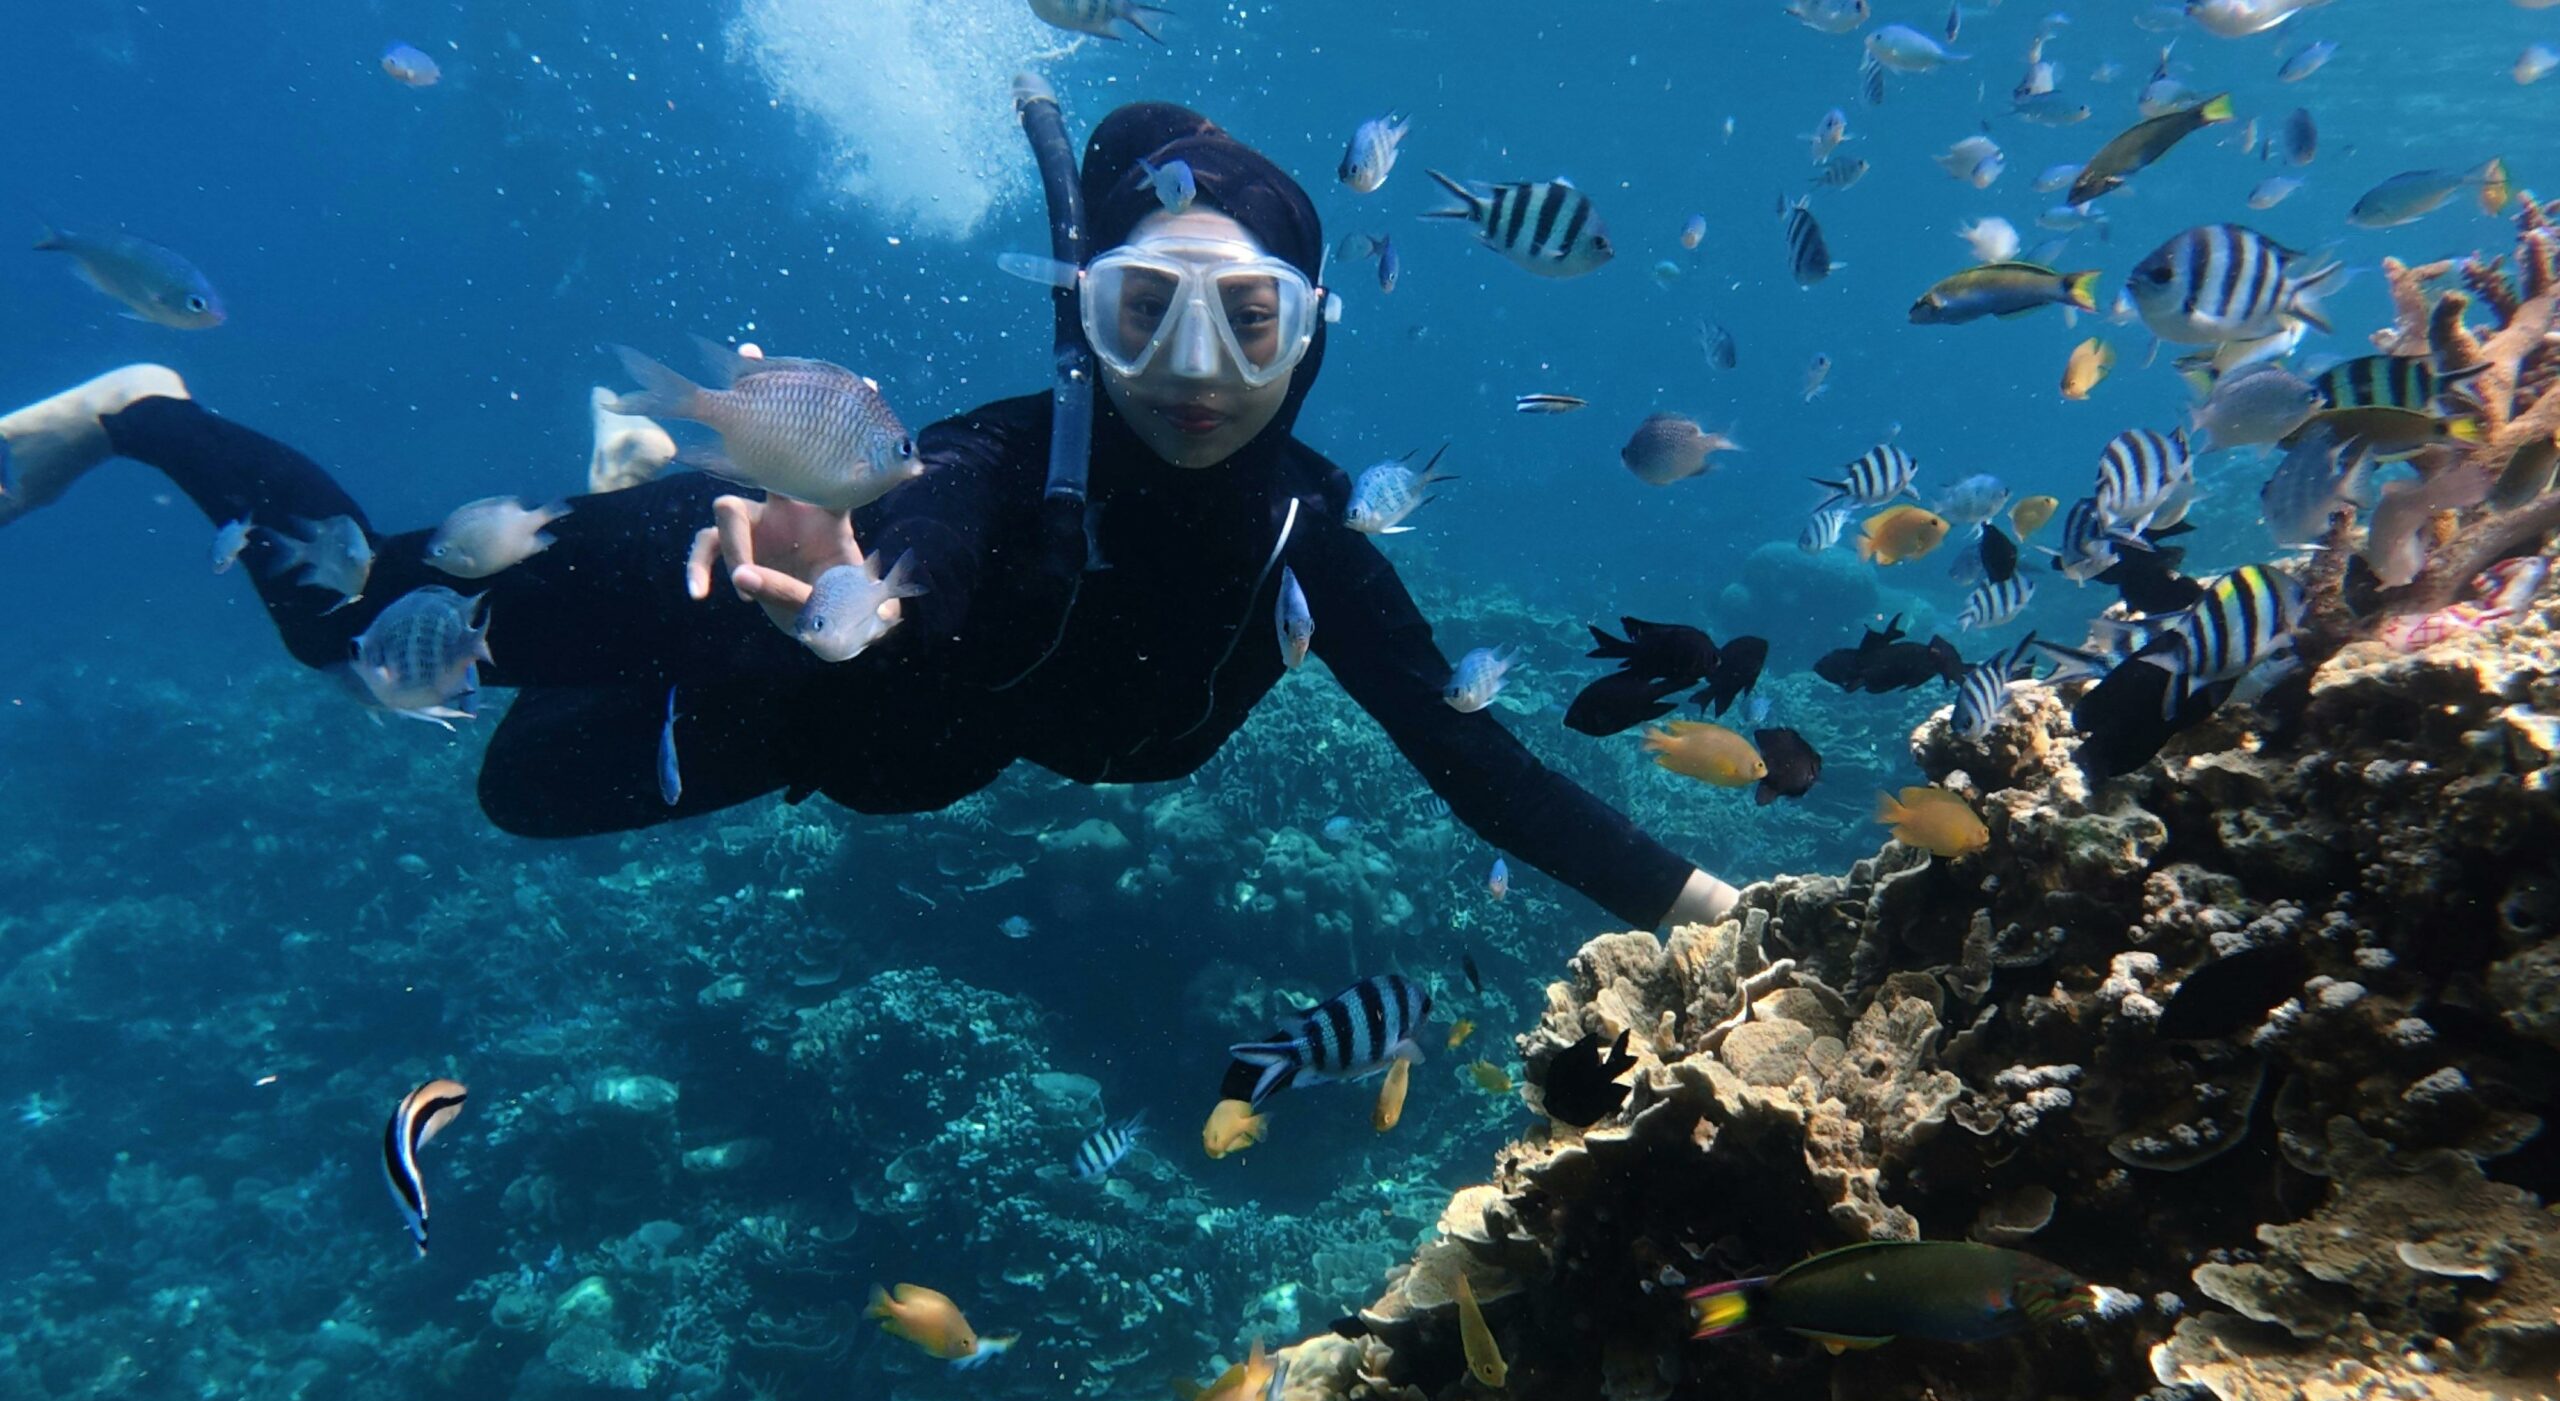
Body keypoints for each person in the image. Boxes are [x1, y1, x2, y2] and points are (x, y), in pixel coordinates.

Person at [0, 102, 1741, 931]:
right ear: (1084, 317)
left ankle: (625, 477)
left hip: (847, 724)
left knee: (521, 788)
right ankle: (144, 411)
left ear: (1313, 336)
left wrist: (1710, 904)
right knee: (352, 629)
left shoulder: (1308, 538)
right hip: (764, 585)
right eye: (1145, 313)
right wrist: (863, 579)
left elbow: (1476, 764)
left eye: (1250, 321)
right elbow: (935, 524)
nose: (1198, 374)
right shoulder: (993, 462)